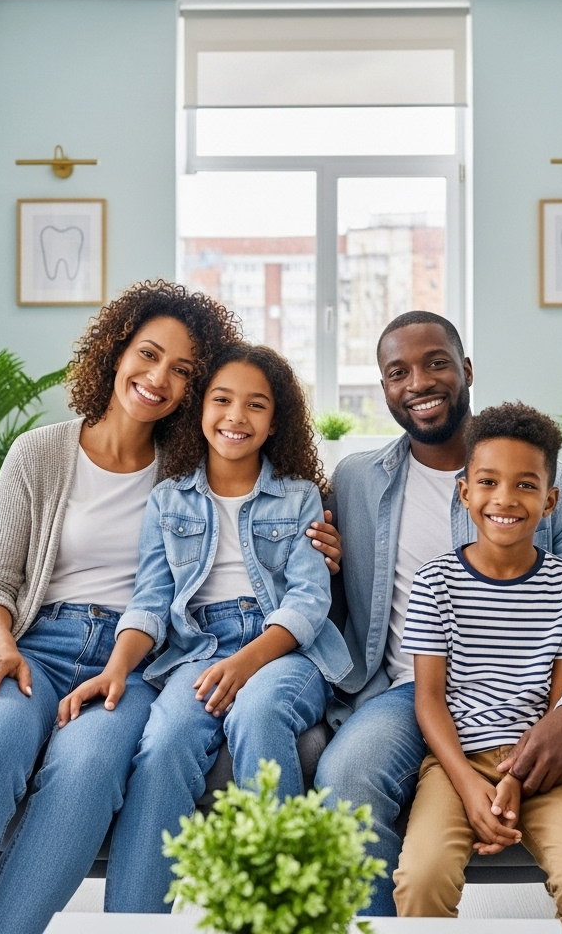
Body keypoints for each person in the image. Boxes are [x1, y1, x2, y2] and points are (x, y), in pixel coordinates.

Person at [315, 311, 562, 934]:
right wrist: (317, 555)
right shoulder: (357, 479)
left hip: (542, 689)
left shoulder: (550, 485)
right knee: (346, 772)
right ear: (382, 389)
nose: (418, 382)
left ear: (466, 370)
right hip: (415, 690)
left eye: (436, 362)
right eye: (397, 372)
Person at [0, 280, 249, 934]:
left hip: (132, 665)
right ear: (115, 353)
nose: (158, 377)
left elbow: (269, 501)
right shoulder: (39, 453)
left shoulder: (191, 471)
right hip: (30, 646)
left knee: (87, 768)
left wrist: (322, 536)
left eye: (182, 370)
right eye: (148, 354)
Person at [59, 343, 353, 913]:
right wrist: (118, 668)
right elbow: (150, 597)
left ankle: (278, 912)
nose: (236, 417)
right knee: (163, 743)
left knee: (258, 710)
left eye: (256, 406)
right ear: (199, 409)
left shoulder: (298, 498)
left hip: (285, 650)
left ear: (275, 423)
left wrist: (247, 663)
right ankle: (135, 924)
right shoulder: (168, 500)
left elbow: (311, 599)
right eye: (221, 400)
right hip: (196, 650)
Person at [393, 402, 562, 934]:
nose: (504, 499)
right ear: (465, 492)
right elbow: (428, 699)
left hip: (540, 768)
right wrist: (472, 787)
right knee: (421, 878)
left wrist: (515, 779)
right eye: (488, 482)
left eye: (525, 485)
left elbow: (558, 705)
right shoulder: (435, 584)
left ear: (550, 500)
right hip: (454, 765)